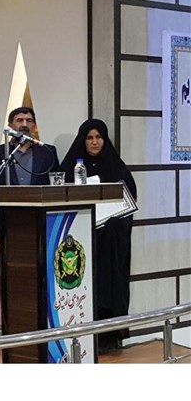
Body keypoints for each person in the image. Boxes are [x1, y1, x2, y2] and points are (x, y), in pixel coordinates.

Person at [60, 118, 137, 353]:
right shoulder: (70, 168)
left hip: (111, 244)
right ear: (82, 141)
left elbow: (129, 201)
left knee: (111, 287)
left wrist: (113, 223)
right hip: (83, 242)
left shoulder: (116, 167)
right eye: (90, 138)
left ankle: (111, 336)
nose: (95, 142)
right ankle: (81, 337)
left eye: (99, 137)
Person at [0, 107, 59, 255]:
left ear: (34, 126)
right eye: (19, 120)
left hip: (41, 223)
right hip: (8, 224)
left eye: (29, 121)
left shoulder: (47, 152)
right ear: (10, 125)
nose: (24, 124)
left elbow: (55, 189)